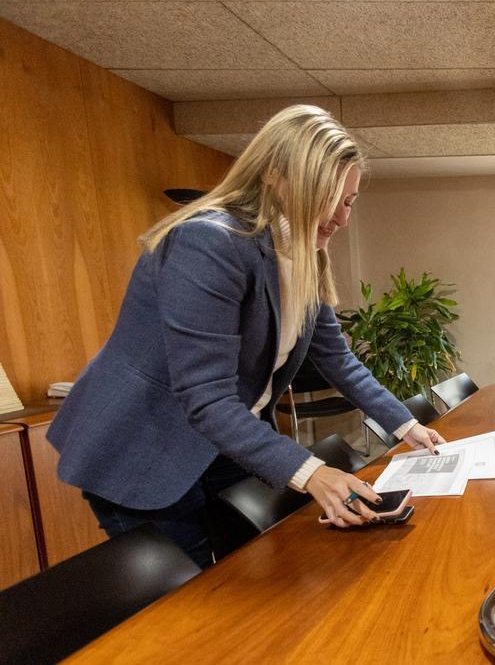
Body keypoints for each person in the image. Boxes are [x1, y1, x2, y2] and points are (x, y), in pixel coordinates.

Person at [47, 105, 445, 568]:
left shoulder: (303, 253)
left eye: (349, 201)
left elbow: (337, 358)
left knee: (260, 566)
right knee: (194, 597)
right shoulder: (209, 242)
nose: (341, 217)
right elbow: (206, 395)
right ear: (276, 177)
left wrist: (406, 425)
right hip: (146, 445)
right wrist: (312, 472)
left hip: (226, 439)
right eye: (329, 196)